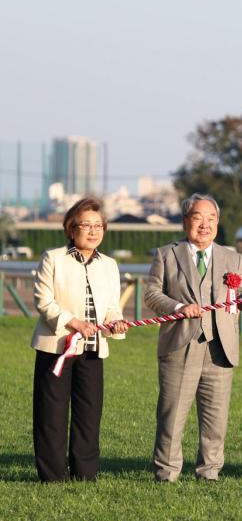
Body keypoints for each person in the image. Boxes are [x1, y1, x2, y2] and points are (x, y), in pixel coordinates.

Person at [144, 193, 242, 482]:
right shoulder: (166, 254)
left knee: (215, 418)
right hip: (179, 344)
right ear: (186, 221)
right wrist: (179, 308)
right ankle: (166, 472)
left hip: (221, 348)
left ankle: (209, 472)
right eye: (198, 218)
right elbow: (152, 294)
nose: (204, 225)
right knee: (172, 415)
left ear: (218, 223)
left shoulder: (233, 258)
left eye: (211, 219)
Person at [30, 197, 129, 482]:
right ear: (71, 228)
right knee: (52, 414)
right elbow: (44, 302)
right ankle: (52, 476)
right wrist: (73, 322)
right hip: (56, 346)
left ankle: (85, 474)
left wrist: (114, 323)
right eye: (86, 225)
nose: (93, 231)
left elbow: (111, 306)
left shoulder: (109, 265)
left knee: (89, 413)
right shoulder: (53, 258)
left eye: (99, 226)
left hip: (92, 350)